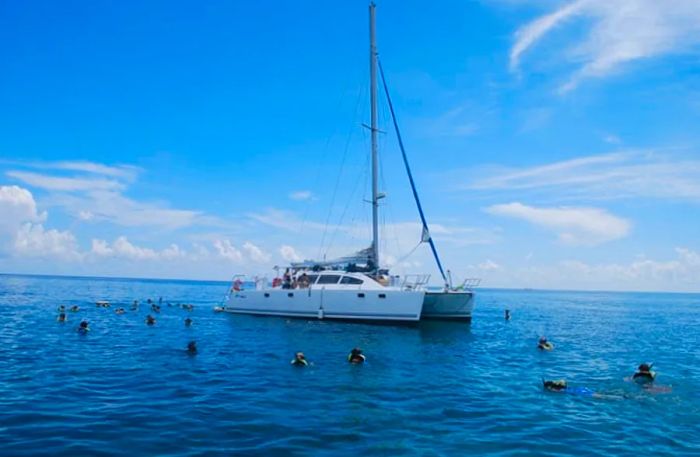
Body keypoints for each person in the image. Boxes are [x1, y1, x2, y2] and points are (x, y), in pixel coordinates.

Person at [543, 379, 624, 399]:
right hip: (579, 388)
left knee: (602, 396)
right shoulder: (558, 384)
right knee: (600, 394)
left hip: (579, 392)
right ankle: (620, 394)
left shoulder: (556, 390)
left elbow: (555, 390)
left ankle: (620, 397)